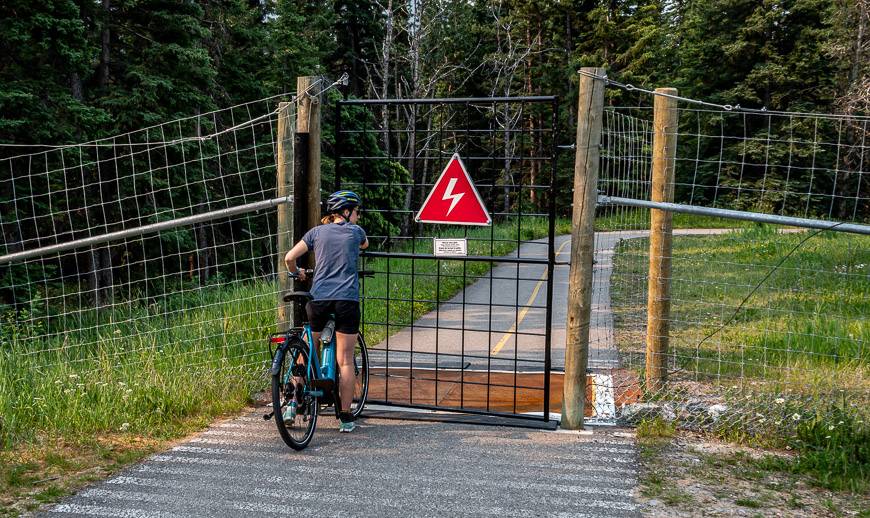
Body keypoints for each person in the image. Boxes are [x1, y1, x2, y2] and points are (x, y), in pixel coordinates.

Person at [283, 190, 368, 433]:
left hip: (318, 299)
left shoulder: (316, 233)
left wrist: (297, 272)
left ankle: (291, 403)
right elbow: (365, 244)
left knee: (308, 349)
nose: (358, 217)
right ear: (347, 211)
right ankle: (345, 417)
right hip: (346, 301)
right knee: (345, 360)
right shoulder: (356, 232)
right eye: (357, 212)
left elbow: (289, 257)